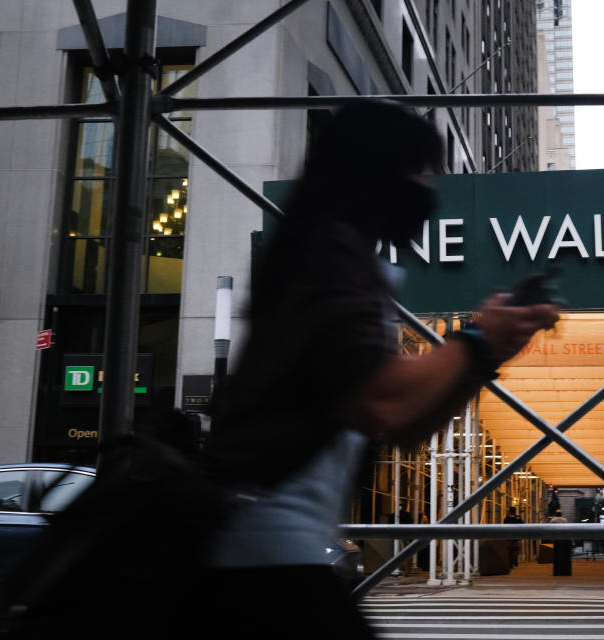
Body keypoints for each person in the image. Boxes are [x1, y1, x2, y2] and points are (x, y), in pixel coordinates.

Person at [197, 100, 559, 638]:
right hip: (264, 548)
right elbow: (378, 398)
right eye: (416, 171)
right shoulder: (330, 251)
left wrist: (486, 356)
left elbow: (406, 425)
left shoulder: (340, 253)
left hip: (268, 551)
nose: (426, 190)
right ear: (376, 174)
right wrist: (479, 340)